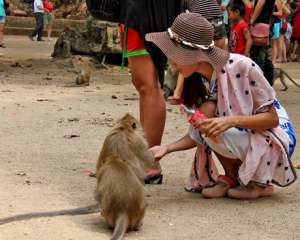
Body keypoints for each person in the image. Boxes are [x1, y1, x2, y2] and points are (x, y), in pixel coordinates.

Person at [146, 13, 297, 199]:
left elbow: (272, 119)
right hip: (245, 133)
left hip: (276, 136)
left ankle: (259, 183)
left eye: (175, 54)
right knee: (206, 122)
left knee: (215, 125)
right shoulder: (205, 78)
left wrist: (229, 121)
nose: (172, 62)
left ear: (194, 54)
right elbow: (198, 133)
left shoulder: (241, 66)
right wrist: (166, 149)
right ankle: (233, 177)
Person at [119, 0, 183, 183]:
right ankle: (144, 156)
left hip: (145, 14)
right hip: (138, 13)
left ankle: (151, 162)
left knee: (149, 86)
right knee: (143, 85)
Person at [249, 0, 275, 86]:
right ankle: (268, 84)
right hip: (266, 25)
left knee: (258, 58)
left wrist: (252, 20)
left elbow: (261, 2)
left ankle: (260, 85)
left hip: (259, 25)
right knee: (266, 58)